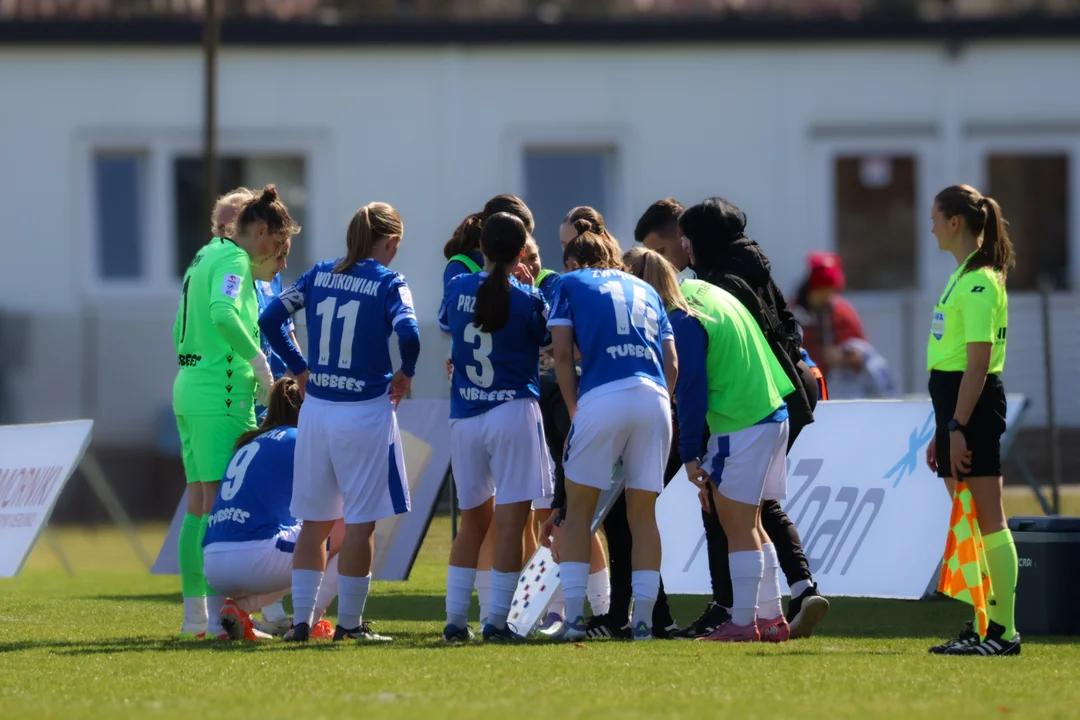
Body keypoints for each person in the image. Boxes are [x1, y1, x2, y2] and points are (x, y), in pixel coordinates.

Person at [259, 202, 420, 643]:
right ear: (391, 242)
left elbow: (270, 317)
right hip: (364, 412)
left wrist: (299, 368)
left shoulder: (318, 274)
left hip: (317, 411)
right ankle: (349, 624)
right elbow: (409, 332)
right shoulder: (389, 281)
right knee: (361, 523)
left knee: (314, 524)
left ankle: (300, 623)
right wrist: (406, 373)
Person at [676, 197, 829, 639]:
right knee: (755, 509)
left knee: (733, 513)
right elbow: (790, 325)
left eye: (686, 238)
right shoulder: (757, 267)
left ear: (700, 240)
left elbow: (702, 369)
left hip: (749, 403)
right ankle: (786, 601)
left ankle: (737, 613)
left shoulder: (714, 285)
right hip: (783, 390)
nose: (682, 248)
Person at [630, 248, 794, 642]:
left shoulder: (681, 318)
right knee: (750, 521)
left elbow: (690, 390)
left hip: (741, 421)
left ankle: (744, 622)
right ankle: (772, 619)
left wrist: (689, 455)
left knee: (737, 523)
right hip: (769, 411)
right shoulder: (702, 291)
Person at [540, 222, 677, 642]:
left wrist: (575, 409)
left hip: (603, 395)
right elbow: (671, 361)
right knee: (643, 516)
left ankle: (575, 620)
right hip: (654, 397)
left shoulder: (568, 282)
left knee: (580, 513)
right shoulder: (646, 288)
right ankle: (644, 622)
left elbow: (563, 354)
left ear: (574, 261)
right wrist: (662, 400)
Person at [172, 184, 299, 638]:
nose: (279, 258)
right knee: (217, 507)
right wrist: (258, 364)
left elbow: (181, 324)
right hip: (219, 396)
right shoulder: (232, 259)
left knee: (199, 506)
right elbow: (223, 313)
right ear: (259, 231)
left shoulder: (203, 255)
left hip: (193, 387)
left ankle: (198, 618)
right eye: (278, 246)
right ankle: (213, 621)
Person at [438, 212, 554, 643]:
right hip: (512, 410)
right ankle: (496, 621)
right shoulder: (527, 296)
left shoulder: (457, 286)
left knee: (472, 523)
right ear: (521, 252)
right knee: (511, 523)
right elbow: (546, 340)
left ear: (481, 248)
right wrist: (529, 287)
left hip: (466, 414)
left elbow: (448, 325)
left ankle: (454, 621)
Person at [925, 184, 1018, 656]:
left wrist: (957, 427)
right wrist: (942, 429)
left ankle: (1002, 631)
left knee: (988, 519)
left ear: (955, 222)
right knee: (973, 519)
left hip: (972, 409)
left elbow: (977, 364)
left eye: (935, 219)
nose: (932, 228)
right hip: (957, 409)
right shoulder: (964, 275)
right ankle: (984, 625)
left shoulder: (979, 281)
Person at [210, 186, 299, 636]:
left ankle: (266, 611)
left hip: (273, 391)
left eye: (233, 224)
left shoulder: (269, 272)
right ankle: (209, 617)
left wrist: (295, 373)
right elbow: (220, 320)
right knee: (223, 500)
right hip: (237, 392)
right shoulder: (224, 269)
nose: (227, 233)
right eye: (220, 226)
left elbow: (284, 326)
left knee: (277, 496)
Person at [202, 377, 340, 642]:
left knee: (307, 540)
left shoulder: (249, 441)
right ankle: (309, 621)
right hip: (254, 558)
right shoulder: (300, 439)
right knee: (347, 532)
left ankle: (228, 616)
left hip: (212, 564)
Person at [791, 252, 867, 380]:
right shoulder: (792, 313)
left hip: (837, 382)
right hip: (803, 379)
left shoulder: (842, 311)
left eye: (832, 291)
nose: (828, 297)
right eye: (823, 291)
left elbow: (861, 350)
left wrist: (842, 357)